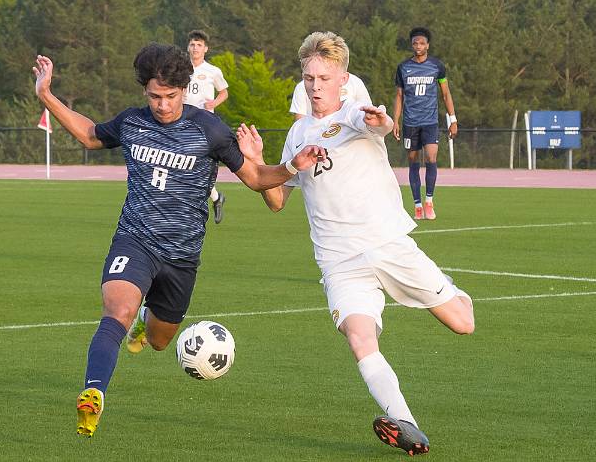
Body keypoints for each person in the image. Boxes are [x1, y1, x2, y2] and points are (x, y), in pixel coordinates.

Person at [32, 44, 326, 438]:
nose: (163, 105)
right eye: (155, 96)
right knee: (114, 311)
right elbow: (89, 135)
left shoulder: (209, 130)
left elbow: (257, 180)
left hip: (182, 257)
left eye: (170, 96)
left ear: (185, 89)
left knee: (158, 340)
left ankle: (144, 318)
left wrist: (293, 165)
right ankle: (93, 392)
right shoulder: (132, 123)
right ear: (144, 91)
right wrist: (46, 94)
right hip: (134, 240)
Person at [236, 31, 474, 457]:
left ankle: (452, 288)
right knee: (360, 339)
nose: (314, 86)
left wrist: (380, 121)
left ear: (343, 78)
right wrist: (254, 161)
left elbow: (378, 124)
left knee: (462, 322)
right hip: (338, 260)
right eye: (309, 77)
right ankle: (409, 427)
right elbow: (276, 200)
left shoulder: (352, 113)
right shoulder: (296, 136)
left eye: (324, 78)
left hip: (385, 243)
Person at [393, 27, 457, 220]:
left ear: (427, 45)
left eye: (421, 43)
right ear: (411, 45)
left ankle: (429, 201)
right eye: (415, 43)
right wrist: (395, 120)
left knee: (431, 158)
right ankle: (417, 205)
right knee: (413, 162)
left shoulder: (437, 67)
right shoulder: (403, 68)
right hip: (410, 123)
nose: (418, 46)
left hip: (430, 122)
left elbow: (445, 94)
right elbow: (399, 96)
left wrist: (453, 119)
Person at [185, 29, 229, 223]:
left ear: (205, 49)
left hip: (204, 122)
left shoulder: (212, 71)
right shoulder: (181, 68)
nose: (195, 48)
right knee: (187, 163)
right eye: (193, 44)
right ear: (188, 47)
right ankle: (216, 198)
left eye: (199, 45)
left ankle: (212, 198)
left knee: (196, 163)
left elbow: (224, 92)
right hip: (183, 120)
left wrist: (214, 103)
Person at [289, 71, 371, 120]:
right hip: (315, 140)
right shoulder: (301, 87)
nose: (315, 87)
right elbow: (300, 121)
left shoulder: (355, 82)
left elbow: (367, 113)